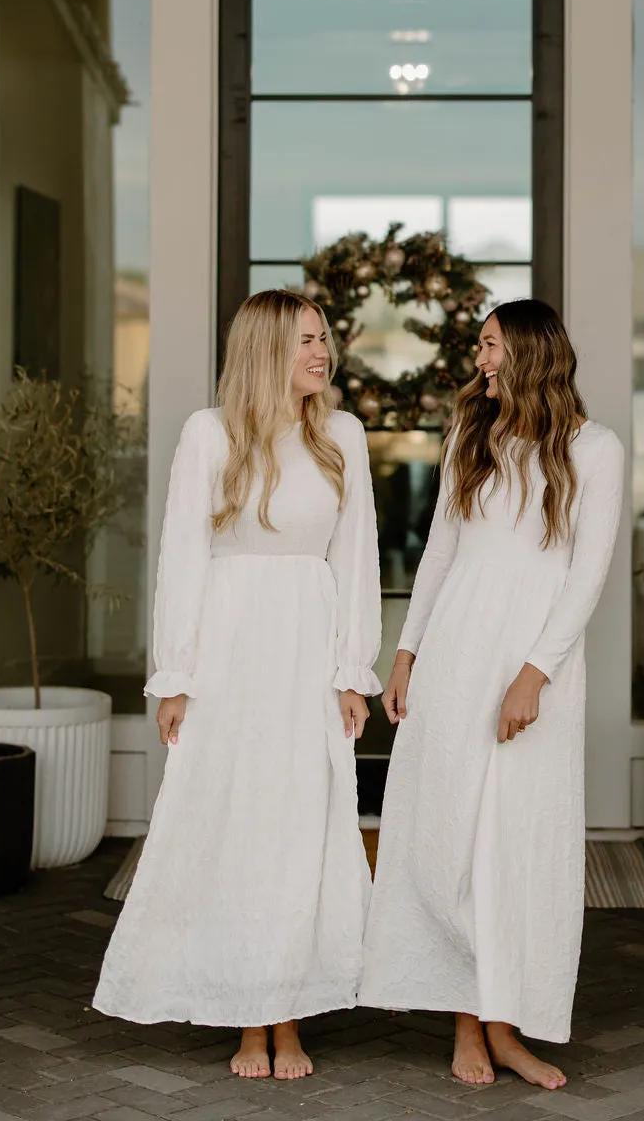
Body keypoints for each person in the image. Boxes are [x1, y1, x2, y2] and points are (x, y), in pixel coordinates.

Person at [93, 290, 382, 1082]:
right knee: (233, 828)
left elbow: (355, 560)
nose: (321, 354)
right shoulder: (209, 433)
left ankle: (287, 1012)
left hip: (305, 654)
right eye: (304, 342)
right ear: (264, 351)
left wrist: (352, 671)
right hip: (228, 657)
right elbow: (182, 556)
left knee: (298, 831)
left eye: (324, 339)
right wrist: (177, 676)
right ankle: (248, 1019)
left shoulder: (344, 436)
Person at [359, 300, 624, 1091]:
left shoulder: (594, 449)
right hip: (455, 657)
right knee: (447, 837)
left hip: (532, 670)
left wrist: (535, 673)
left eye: (490, 346)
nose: (480, 361)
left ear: (530, 356)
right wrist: (404, 653)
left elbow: (588, 573)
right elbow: (440, 549)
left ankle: (505, 1024)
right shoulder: (471, 434)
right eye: (481, 347)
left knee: (517, 847)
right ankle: (466, 1025)